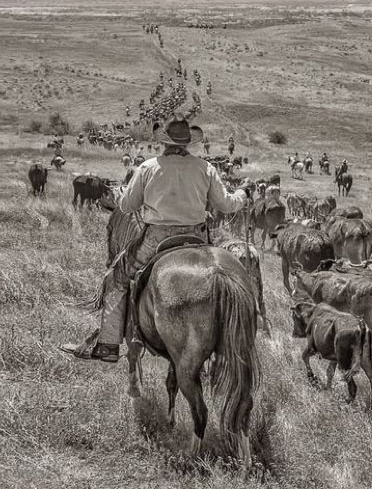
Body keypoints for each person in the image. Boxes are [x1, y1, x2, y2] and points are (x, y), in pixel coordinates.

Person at [61, 114, 251, 363]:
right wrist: (243, 192)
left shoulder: (148, 167)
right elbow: (227, 205)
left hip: (156, 239)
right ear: (188, 143)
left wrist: (121, 194)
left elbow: (127, 206)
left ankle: (108, 345)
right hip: (197, 237)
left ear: (164, 141)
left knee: (116, 279)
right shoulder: (205, 168)